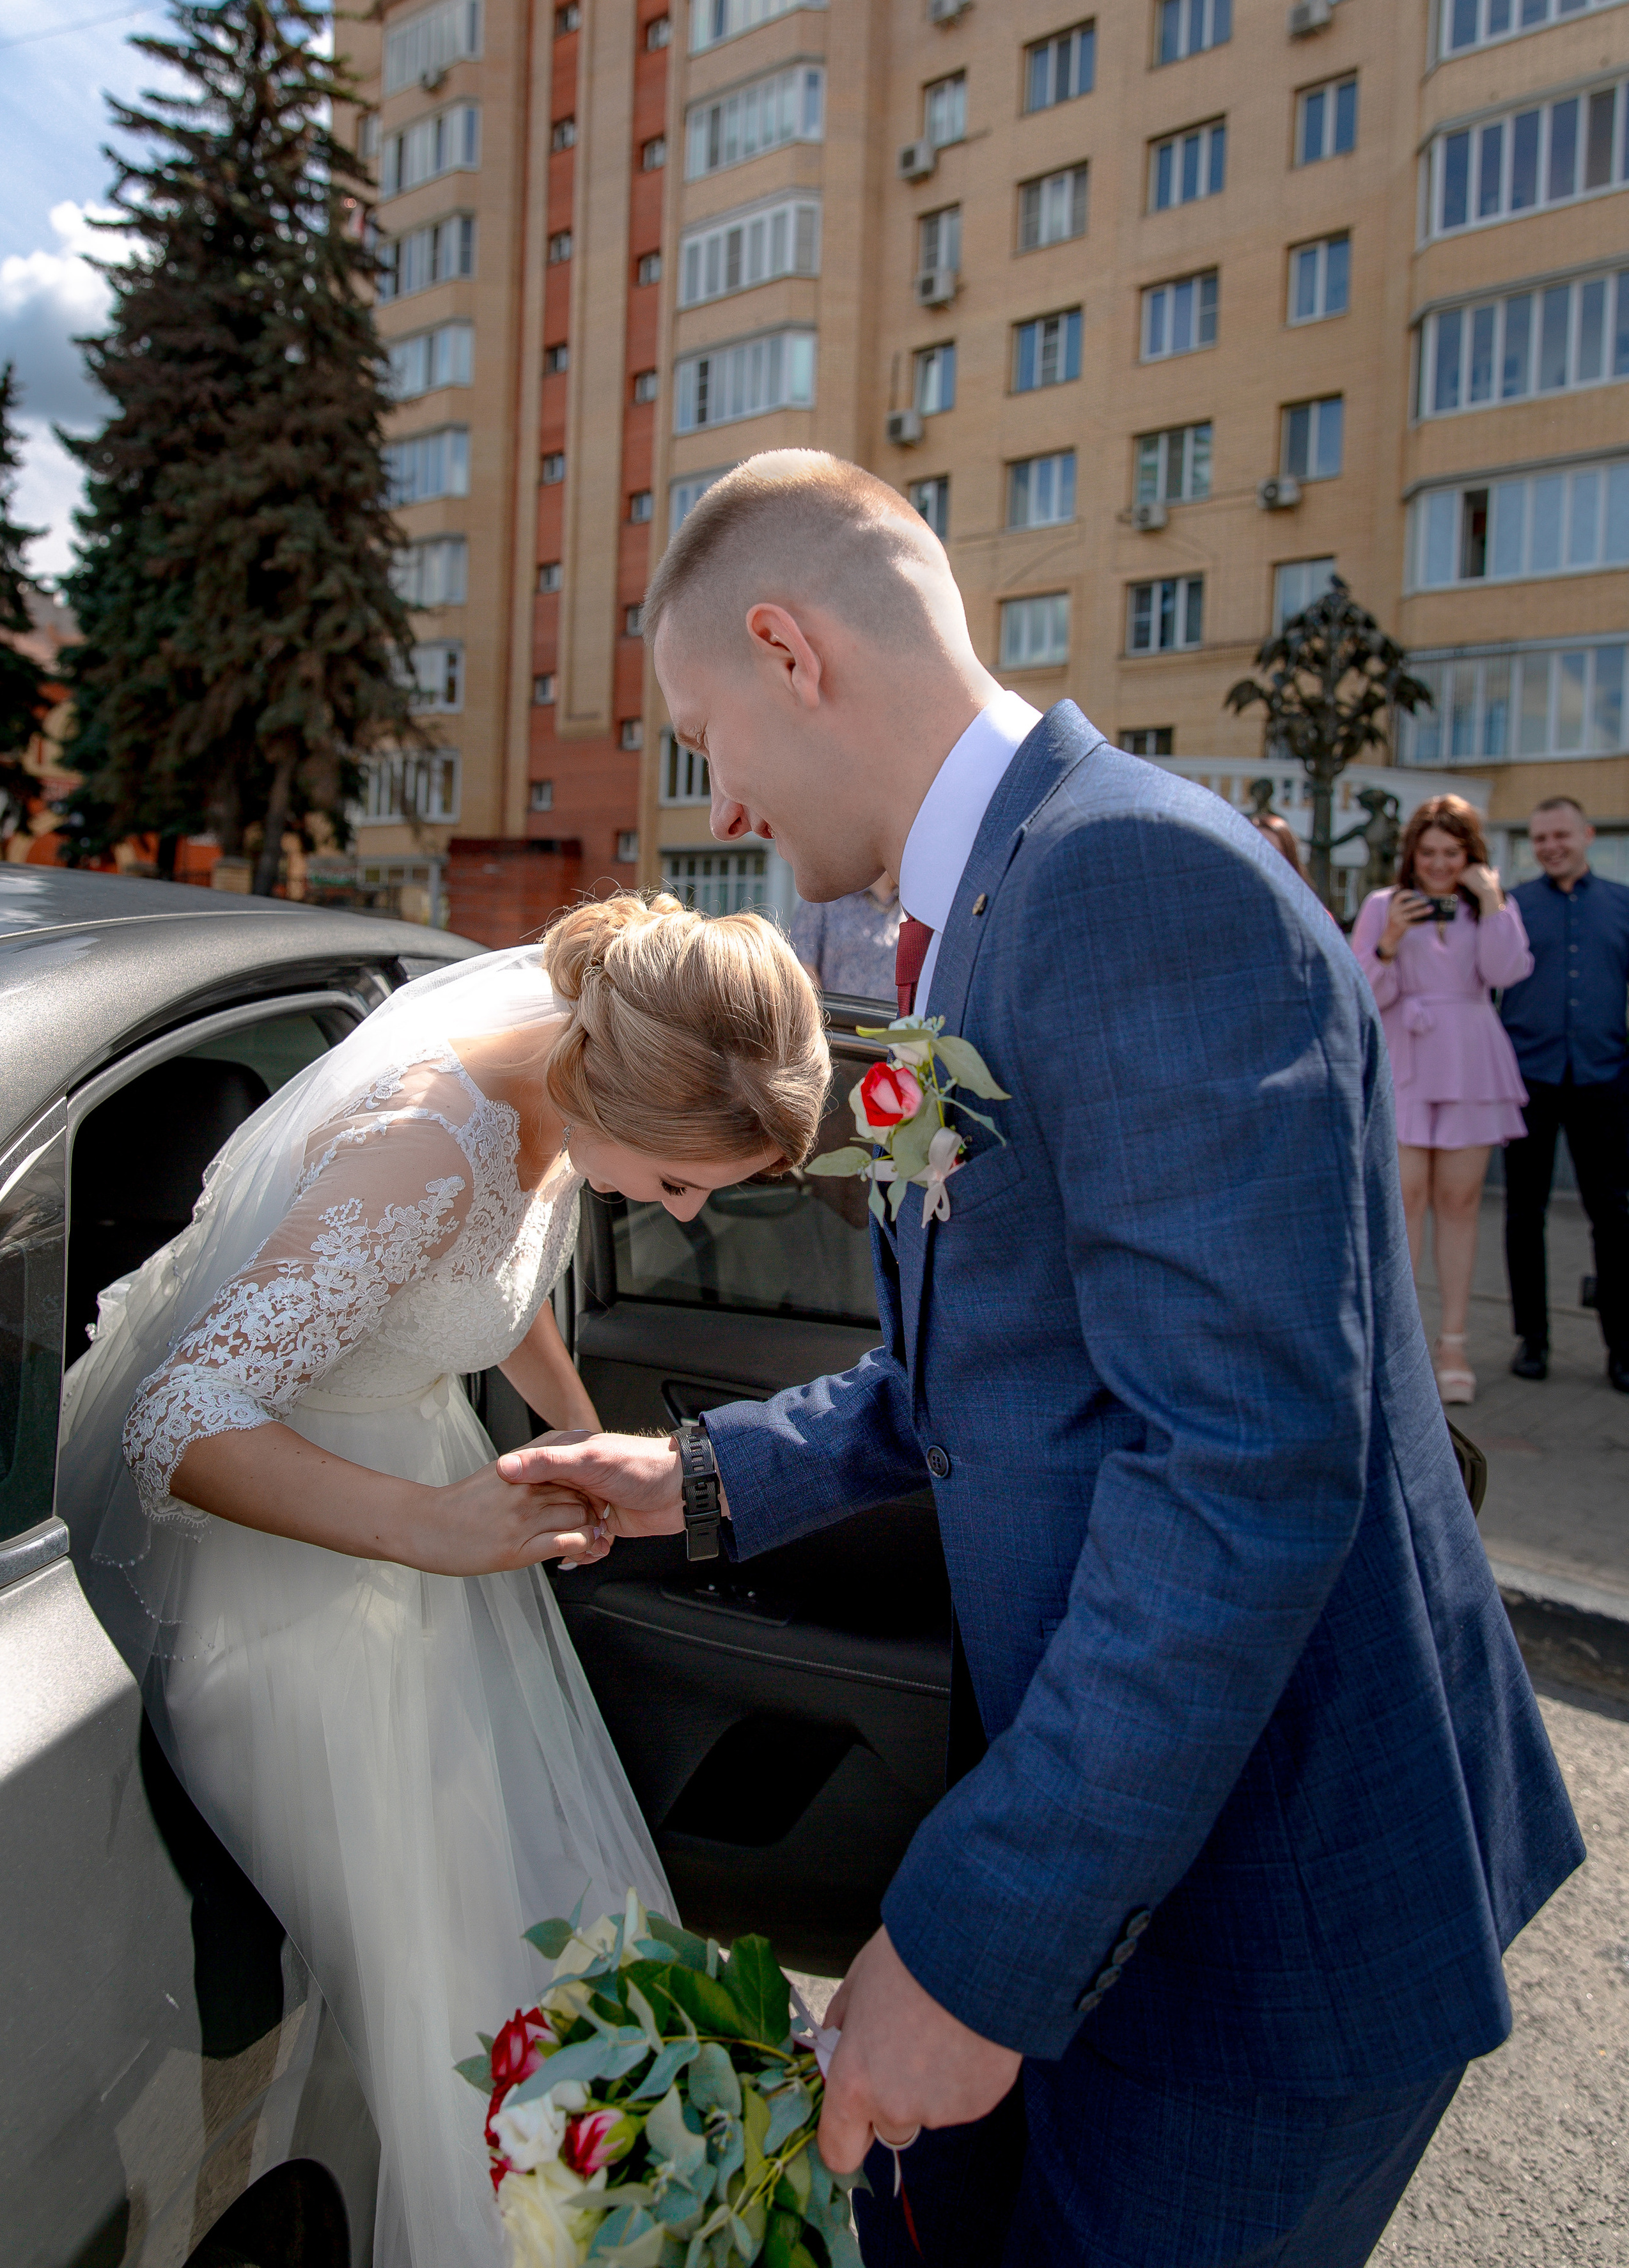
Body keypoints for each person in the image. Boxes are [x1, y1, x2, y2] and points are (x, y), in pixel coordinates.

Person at [508, 452, 1582, 2268]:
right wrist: (694, 1479)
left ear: (791, 650)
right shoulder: (963, 924)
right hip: (1134, 1870)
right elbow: (968, 1366)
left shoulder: (1131, 880)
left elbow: (1242, 1470)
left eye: (704, 730)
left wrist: (986, 1936)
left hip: (1255, 1921)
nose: (722, 790)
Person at [58, 894, 829, 2267]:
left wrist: (574, 1427)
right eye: (672, 1181)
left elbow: (493, 1272)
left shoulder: (549, 1071)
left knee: (530, 1931)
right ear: (606, 1092)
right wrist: (431, 1526)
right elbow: (178, 1420)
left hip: (417, 1496)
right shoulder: (416, 1144)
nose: (684, 1208)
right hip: (293, 1559)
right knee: (452, 1985)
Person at [1351, 796, 1533, 1406]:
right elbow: (1362, 992)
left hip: (1471, 1060)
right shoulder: (1383, 906)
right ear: (1412, 854)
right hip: (1406, 1059)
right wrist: (1390, 941)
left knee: (1460, 1202)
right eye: (1427, 852)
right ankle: (1399, 1345)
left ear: (1470, 856)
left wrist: (1494, 901)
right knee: (1403, 1202)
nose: (1437, 864)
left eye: (1451, 853)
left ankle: (1453, 1342)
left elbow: (1506, 972)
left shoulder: (1489, 910)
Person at [1499, 796, 1629, 1392]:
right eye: (1540, 837)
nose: (1551, 846)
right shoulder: (1510, 905)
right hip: (1529, 1078)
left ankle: (1622, 1348)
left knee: (1615, 1217)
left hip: (1604, 1079)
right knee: (1525, 1215)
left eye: (1561, 835)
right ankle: (1533, 1340)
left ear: (1587, 834)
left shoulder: (1622, 905)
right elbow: (1436, 914)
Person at [790, 869, 903, 998]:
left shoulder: (915, 905)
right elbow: (802, 962)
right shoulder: (828, 894)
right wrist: (821, 1013)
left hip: (895, 1017)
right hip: (835, 1015)